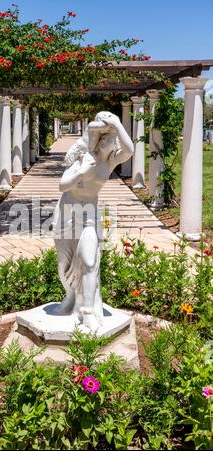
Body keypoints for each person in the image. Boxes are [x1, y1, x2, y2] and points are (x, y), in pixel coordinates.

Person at [53, 111, 134, 330]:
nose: (111, 140)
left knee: (89, 261)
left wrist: (116, 123)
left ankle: (87, 310)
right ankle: (70, 297)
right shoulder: (85, 156)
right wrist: (80, 172)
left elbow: (130, 150)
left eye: (113, 138)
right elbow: (62, 185)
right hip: (66, 213)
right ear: (99, 140)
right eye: (107, 137)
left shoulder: (110, 163)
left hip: (88, 214)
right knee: (64, 268)